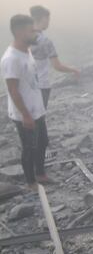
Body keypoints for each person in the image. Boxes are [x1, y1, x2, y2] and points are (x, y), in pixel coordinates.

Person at [2, 15, 49, 189]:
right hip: (24, 113)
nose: (36, 34)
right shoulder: (11, 58)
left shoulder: (26, 50)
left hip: (36, 109)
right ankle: (31, 182)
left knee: (43, 142)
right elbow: (13, 90)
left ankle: (41, 174)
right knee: (29, 147)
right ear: (19, 32)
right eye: (32, 31)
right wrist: (26, 115)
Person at [29, 5, 80, 108]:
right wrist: (74, 69)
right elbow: (57, 66)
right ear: (43, 18)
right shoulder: (45, 41)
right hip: (41, 86)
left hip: (25, 85)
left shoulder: (23, 37)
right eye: (48, 19)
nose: (49, 22)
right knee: (38, 119)